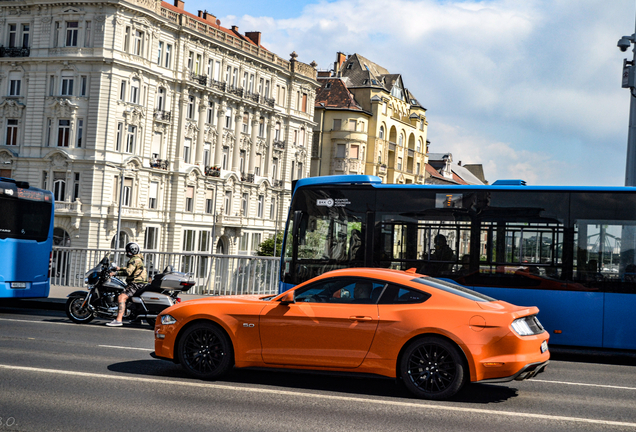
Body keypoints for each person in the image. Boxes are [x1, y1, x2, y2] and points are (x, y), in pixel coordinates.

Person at [106, 242, 148, 327]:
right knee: (130, 299)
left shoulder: (133, 259)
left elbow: (128, 272)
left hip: (136, 283)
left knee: (121, 297)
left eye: (127, 250)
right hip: (140, 283)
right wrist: (119, 268)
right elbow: (131, 269)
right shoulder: (137, 259)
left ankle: (118, 320)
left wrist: (115, 273)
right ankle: (136, 319)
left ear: (130, 251)